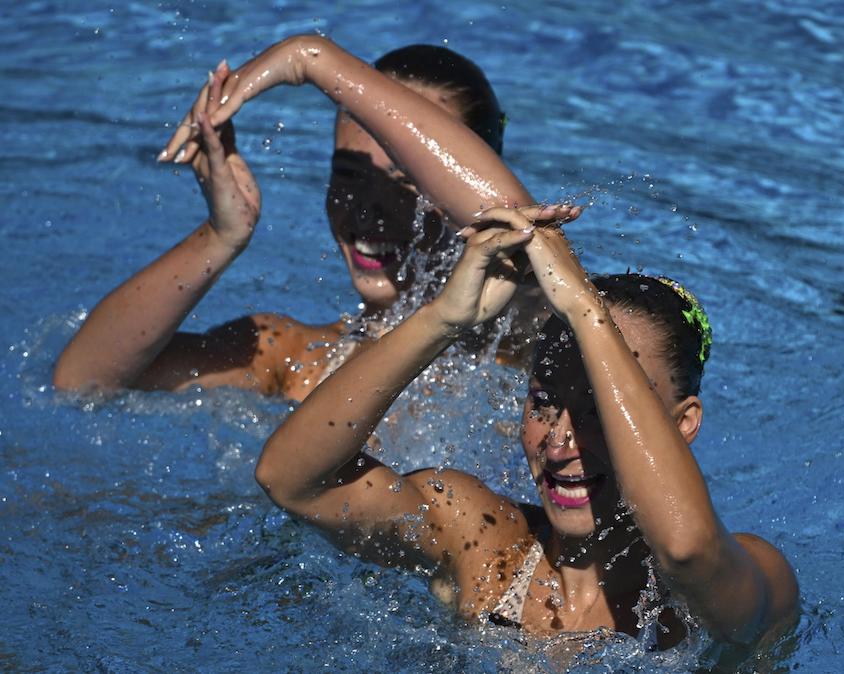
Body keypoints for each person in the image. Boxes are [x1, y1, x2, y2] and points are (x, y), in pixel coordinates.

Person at [254, 204, 799, 653]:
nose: (559, 443)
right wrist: (443, 319)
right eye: (544, 403)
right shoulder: (485, 543)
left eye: (601, 411)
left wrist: (586, 313)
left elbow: (686, 549)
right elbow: (291, 480)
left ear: (682, 424)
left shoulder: (748, 583)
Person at [53, 38, 560, 399]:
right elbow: (84, 380)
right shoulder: (302, 358)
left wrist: (309, 59)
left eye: (409, 180)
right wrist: (222, 236)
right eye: (350, 176)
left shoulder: (546, 340)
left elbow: (524, 227)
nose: (367, 211)